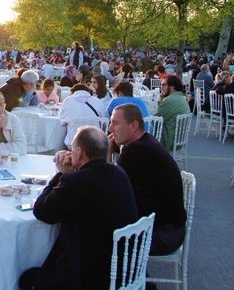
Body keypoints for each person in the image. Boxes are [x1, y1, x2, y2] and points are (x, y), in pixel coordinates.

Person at [18, 127, 138, 290]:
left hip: (89, 276)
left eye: (72, 149)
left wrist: (61, 174)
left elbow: (42, 210)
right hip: (123, 269)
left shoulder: (77, 181)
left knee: (27, 278)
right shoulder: (119, 172)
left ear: (79, 152)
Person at [108, 104, 186, 256]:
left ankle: (134, 279)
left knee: (96, 235)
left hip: (163, 234)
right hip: (168, 227)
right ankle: (135, 278)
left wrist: (107, 152)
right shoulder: (145, 141)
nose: (110, 128)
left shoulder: (137, 150)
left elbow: (108, 186)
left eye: (115, 123)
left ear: (133, 126)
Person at [59, 83, 108, 150]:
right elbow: (106, 120)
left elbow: (62, 121)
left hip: (74, 144)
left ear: (72, 92)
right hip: (96, 143)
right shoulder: (97, 101)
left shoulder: (68, 100)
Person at [154, 75, 192, 152]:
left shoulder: (169, 101)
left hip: (168, 140)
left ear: (172, 86)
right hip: (179, 140)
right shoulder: (180, 98)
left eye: (164, 85)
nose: (161, 87)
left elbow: (154, 121)